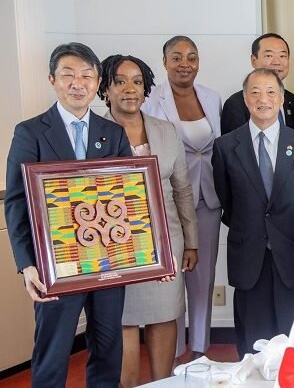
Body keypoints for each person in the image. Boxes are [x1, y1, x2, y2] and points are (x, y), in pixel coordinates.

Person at [5, 43, 133, 387]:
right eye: (68, 74)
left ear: (97, 84)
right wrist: (26, 263)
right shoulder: (30, 132)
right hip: (54, 264)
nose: (78, 83)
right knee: (53, 351)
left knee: (108, 349)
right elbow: (16, 201)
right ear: (52, 80)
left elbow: (127, 197)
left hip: (107, 263)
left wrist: (150, 255)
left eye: (87, 76)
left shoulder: (114, 133)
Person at [98, 54, 199, 386]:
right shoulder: (93, 132)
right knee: (121, 327)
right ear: (106, 89)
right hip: (114, 250)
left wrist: (191, 241)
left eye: (138, 81)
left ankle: (162, 383)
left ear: (146, 89)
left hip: (166, 245)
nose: (130, 89)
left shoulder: (166, 131)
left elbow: (182, 190)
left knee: (164, 319)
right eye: (121, 81)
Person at [212, 68, 294, 356]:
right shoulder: (225, 147)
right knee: (253, 346)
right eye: (255, 92)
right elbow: (228, 202)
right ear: (245, 100)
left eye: (271, 92)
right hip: (249, 257)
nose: (264, 99)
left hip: (293, 256)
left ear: (282, 98)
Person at [142, 35, 222, 359]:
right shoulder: (151, 100)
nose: (184, 64)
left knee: (203, 279)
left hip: (209, 199)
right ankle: (172, 353)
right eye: (176, 57)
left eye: (191, 57)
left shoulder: (212, 97)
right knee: (172, 280)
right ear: (164, 62)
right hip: (169, 205)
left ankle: (200, 348)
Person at [221, 33, 294, 134]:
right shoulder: (235, 104)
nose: (276, 62)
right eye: (269, 55)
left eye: (282, 55)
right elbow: (232, 146)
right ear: (254, 61)